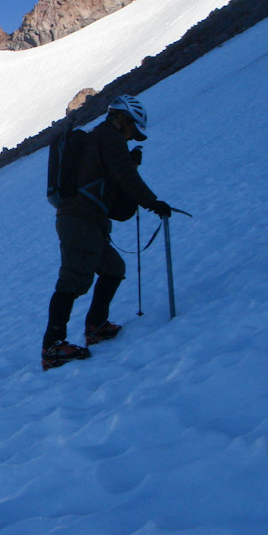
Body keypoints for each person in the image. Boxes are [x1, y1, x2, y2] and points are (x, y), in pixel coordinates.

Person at [42, 94, 173, 369]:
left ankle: (96, 326)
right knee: (73, 280)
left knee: (113, 267)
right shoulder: (108, 136)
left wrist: (130, 163)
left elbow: (111, 177)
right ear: (123, 119)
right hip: (80, 220)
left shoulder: (102, 139)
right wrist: (152, 203)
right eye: (132, 130)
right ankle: (53, 348)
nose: (131, 137)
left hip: (85, 220)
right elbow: (125, 178)